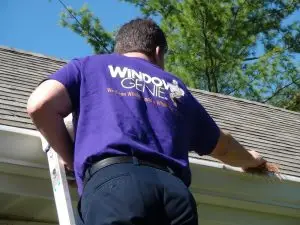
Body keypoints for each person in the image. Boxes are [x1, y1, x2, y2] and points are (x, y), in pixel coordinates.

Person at [27, 18, 279, 225]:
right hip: (174, 194)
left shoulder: (91, 66)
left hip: (114, 186)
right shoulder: (175, 87)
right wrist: (254, 160)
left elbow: (40, 104)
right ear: (158, 52)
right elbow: (222, 146)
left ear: (120, 49)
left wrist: (71, 158)